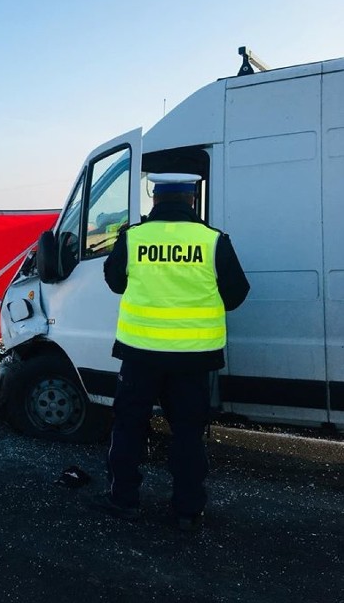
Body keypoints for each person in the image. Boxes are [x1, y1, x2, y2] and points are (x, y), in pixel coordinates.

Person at [95, 173, 250, 531]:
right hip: (193, 358)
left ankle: (123, 500)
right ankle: (187, 511)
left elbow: (115, 282)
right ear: (192, 199)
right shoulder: (213, 240)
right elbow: (238, 294)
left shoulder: (133, 238)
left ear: (154, 198)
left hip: (140, 354)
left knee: (129, 426)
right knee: (188, 433)